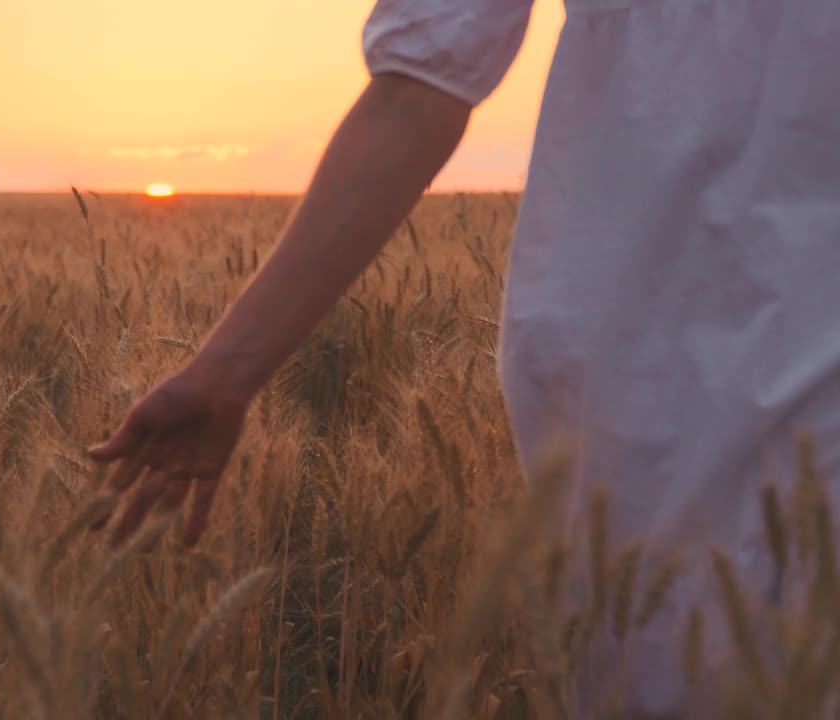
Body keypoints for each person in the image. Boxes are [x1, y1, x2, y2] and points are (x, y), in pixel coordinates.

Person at [88, 0, 840, 716]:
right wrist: (225, 373)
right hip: (654, 363)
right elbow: (422, 82)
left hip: (642, 342)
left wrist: (224, 373)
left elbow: (420, 86)